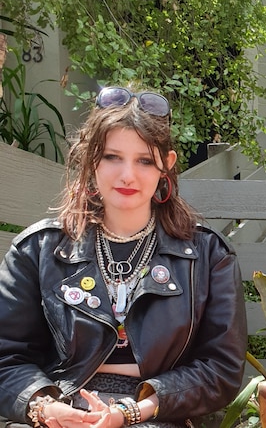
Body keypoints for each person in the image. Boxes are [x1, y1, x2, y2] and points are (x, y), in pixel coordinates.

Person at [0, 86, 247, 427]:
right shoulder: (38, 249)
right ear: (90, 159)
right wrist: (46, 408)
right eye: (112, 157)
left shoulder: (207, 255)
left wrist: (133, 411)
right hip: (58, 408)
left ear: (166, 165)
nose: (127, 175)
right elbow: (6, 358)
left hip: (156, 414)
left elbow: (221, 368)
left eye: (144, 160)